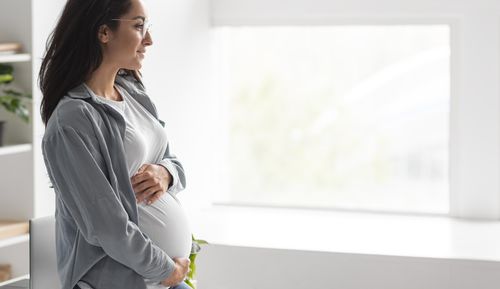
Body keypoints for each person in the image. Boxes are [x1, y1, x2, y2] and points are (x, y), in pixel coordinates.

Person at [38, 0, 193, 288]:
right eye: (138, 26)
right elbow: (107, 227)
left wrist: (165, 172)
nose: (149, 39)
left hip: (161, 278)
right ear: (103, 33)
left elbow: (175, 165)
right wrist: (164, 269)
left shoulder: (133, 91)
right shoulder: (71, 122)